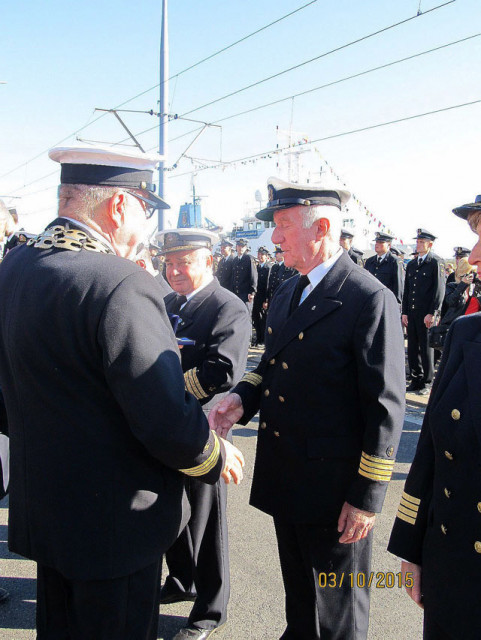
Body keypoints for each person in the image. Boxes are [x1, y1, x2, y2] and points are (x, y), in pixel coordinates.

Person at [0, 145, 245, 640]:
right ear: (118, 206)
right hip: (115, 523)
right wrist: (212, 455)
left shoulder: (14, 268)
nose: (146, 228)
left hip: (48, 507)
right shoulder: (118, 282)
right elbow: (160, 416)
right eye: (145, 209)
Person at [209, 177, 406, 640]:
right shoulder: (287, 292)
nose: (274, 238)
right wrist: (242, 398)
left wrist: (365, 500)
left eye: (282, 226)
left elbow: (385, 409)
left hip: (335, 492)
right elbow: (270, 366)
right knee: (300, 597)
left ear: (321, 227)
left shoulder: (368, 298)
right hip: (288, 474)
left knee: (337, 611)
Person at [388, 194, 481, 640]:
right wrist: (413, 548)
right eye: (477, 235)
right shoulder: (468, 333)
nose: (475, 256)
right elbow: (430, 450)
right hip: (453, 566)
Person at [156, 228, 251, 640]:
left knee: (207, 518)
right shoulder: (167, 302)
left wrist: (167, 392)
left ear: (208, 262)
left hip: (202, 428)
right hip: (166, 426)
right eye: (170, 262)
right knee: (169, 507)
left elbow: (224, 369)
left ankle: (210, 611)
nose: (175, 270)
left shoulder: (225, 307)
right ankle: (180, 581)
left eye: (185, 262)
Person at [402, 229, 445, 395]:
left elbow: (438, 289)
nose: (418, 244)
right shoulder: (412, 264)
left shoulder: (435, 262)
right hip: (412, 313)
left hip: (425, 313)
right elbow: (407, 290)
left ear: (430, 244)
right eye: (418, 241)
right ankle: (416, 379)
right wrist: (404, 312)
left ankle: (427, 382)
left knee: (426, 348)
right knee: (412, 347)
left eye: (422, 242)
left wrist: (433, 312)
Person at [364, 232, 404, 304]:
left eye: (381, 242)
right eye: (376, 242)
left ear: (389, 245)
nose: (377, 244)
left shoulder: (395, 261)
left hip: (387, 302)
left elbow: (398, 286)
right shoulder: (369, 261)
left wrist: (397, 305)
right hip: (371, 301)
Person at [230, 238, 257, 313]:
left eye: (242, 246)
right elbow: (233, 277)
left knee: (246, 315)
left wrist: (252, 292)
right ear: (236, 247)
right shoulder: (235, 260)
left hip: (245, 294)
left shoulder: (249, 259)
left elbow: (253, 276)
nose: (240, 248)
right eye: (239, 246)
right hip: (236, 293)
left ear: (245, 247)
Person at [252, 246, 271, 346]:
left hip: (263, 298)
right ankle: (258, 338)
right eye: (259, 254)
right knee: (255, 318)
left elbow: (268, 285)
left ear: (266, 256)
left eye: (262, 255)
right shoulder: (257, 267)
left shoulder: (268, 267)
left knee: (262, 319)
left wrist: (266, 300)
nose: (260, 257)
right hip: (256, 297)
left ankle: (263, 339)